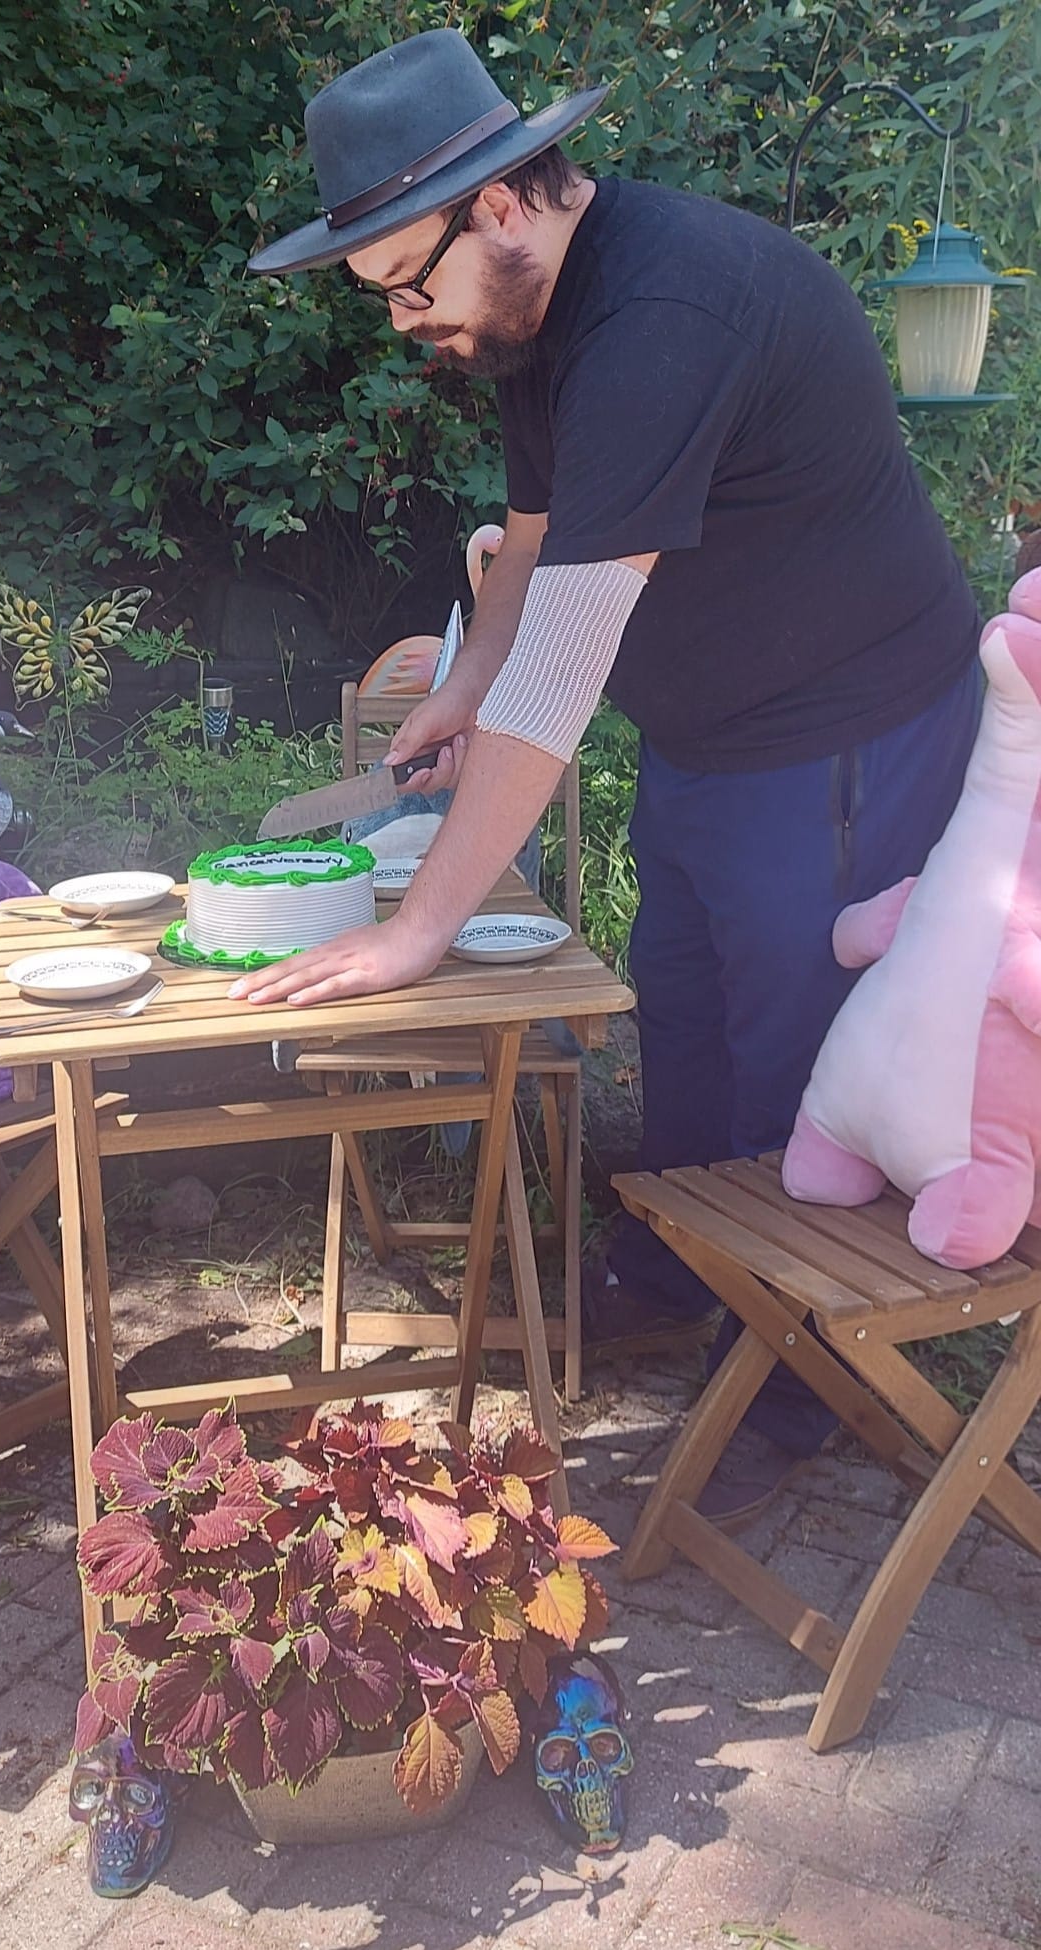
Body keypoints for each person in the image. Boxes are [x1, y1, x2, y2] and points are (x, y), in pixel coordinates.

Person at [235, 28, 982, 1526]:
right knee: (687, 1011)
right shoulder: (529, 321)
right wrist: (455, 689)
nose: (401, 322)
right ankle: (677, 1270)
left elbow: (569, 660)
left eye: (405, 282)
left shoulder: (665, 316)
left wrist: (418, 928)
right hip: (714, 738)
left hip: (846, 737)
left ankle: (792, 1374)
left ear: (500, 205)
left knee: (792, 1053)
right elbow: (528, 541)